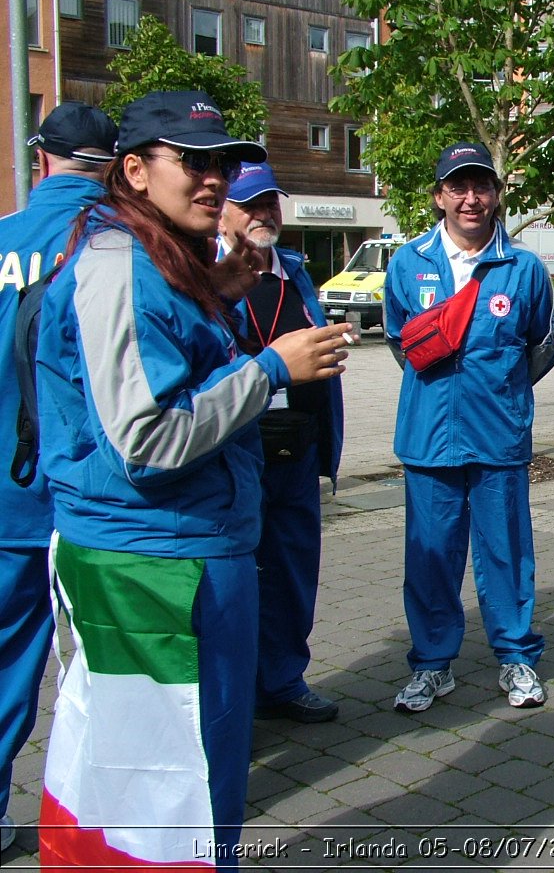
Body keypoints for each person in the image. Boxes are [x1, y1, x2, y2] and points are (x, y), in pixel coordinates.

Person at [34, 90, 351, 870]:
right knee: (173, 789)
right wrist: (272, 367)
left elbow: (162, 365)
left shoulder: (151, 254)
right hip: (156, 565)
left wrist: (222, 293)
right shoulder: (121, 266)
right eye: (193, 162)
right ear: (134, 171)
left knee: (167, 786)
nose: (214, 181)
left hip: (175, 550)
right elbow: (146, 439)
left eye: (222, 164)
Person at [384, 142, 554, 714]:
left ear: (496, 194)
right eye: (457, 186)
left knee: (506, 552)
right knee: (431, 555)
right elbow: (397, 342)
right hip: (428, 438)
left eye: (480, 185)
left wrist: (502, 393)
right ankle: (433, 666)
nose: (470, 197)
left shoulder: (524, 268)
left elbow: (545, 344)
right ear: (438, 196)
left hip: (498, 439)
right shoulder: (407, 264)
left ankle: (516, 657)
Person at [0, 102, 116, 853]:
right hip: (94, 500)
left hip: (7, 497)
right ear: (113, 166)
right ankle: (108, 818)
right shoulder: (122, 246)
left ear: (42, 159)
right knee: (108, 666)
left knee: (8, 658)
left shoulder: (3, 239)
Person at [217, 162, 344, 724]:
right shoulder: (205, 275)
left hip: (299, 445)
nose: (264, 214)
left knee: (294, 569)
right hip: (238, 448)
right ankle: (234, 695)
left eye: (270, 202)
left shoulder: (296, 269)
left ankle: (284, 680)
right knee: (238, 578)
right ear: (222, 211)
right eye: (249, 203)